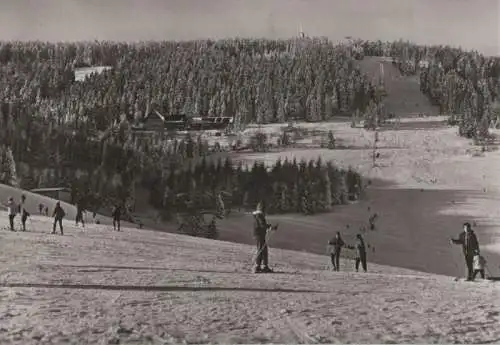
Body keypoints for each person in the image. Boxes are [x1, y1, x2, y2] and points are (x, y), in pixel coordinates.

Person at [253, 201, 273, 273]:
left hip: (259, 235)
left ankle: (264, 266)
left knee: (263, 250)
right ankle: (257, 266)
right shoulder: (259, 215)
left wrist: (270, 227)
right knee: (261, 250)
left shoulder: (258, 215)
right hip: (259, 235)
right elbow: (262, 225)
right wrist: (269, 226)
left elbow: (262, 225)